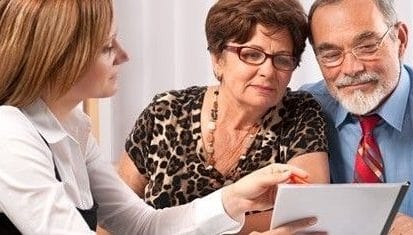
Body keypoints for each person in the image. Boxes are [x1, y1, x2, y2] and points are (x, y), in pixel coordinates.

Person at [0, 0, 320, 234]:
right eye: (107, 47)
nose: (123, 55)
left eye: (282, 59)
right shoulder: (9, 134)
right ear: (61, 56)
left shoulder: (76, 130)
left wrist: (234, 198)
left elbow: (142, 224)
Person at [120, 0, 330, 233]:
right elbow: (114, 219)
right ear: (218, 59)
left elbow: (307, 213)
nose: (268, 71)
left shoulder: (301, 113)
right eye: (251, 54)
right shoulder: (166, 112)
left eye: (282, 59)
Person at [301, 0, 413, 233]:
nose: (352, 69)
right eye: (332, 54)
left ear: (400, 40)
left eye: (366, 46)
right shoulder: (304, 112)